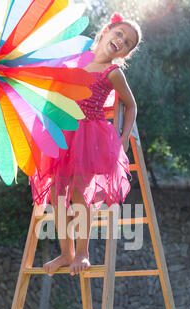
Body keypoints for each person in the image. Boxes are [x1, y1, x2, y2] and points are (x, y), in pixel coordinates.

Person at [30, 12, 142, 277]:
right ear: (105, 31)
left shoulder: (113, 73)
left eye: (126, 43)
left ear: (124, 54)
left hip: (89, 137)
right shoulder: (76, 58)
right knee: (57, 195)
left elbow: (131, 105)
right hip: (62, 131)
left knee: (81, 195)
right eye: (119, 34)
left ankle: (82, 252)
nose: (120, 41)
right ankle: (66, 252)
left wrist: (124, 137)